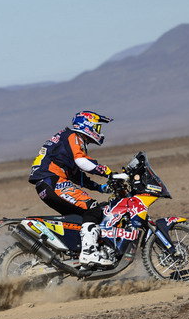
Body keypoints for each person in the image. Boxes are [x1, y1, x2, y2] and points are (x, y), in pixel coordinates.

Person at [28, 111, 121, 267]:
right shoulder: (74, 136)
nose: (99, 132)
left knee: (78, 218)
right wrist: (108, 172)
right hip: (52, 181)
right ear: (88, 125)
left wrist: (100, 187)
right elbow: (82, 162)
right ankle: (89, 253)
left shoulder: (66, 139)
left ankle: (76, 255)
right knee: (93, 209)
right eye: (97, 127)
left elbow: (77, 176)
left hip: (46, 184)